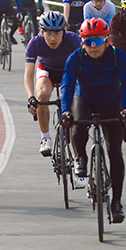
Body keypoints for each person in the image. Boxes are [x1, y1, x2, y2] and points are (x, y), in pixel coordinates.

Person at [60, 18, 126, 223]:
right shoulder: (75, 58)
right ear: (82, 42)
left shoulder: (119, 57)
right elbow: (67, 86)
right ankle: (81, 158)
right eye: (88, 41)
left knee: (115, 153)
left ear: (107, 40)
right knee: (77, 125)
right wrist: (65, 112)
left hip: (112, 103)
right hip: (85, 99)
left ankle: (116, 202)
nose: (93, 46)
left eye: (98, 41)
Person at [24, 11, 82, 158]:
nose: (52, 38)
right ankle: (45, 137)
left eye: (57, 34)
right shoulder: (35, 43)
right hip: (46, 70)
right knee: (42, 95)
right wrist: (31, 98)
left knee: (74, 103)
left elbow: (84, 67)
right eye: (48, 34)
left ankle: (78, 162)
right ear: (42, 32)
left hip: (67, 70)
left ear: (64, 31)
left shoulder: (73, 40)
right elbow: (29, 74)